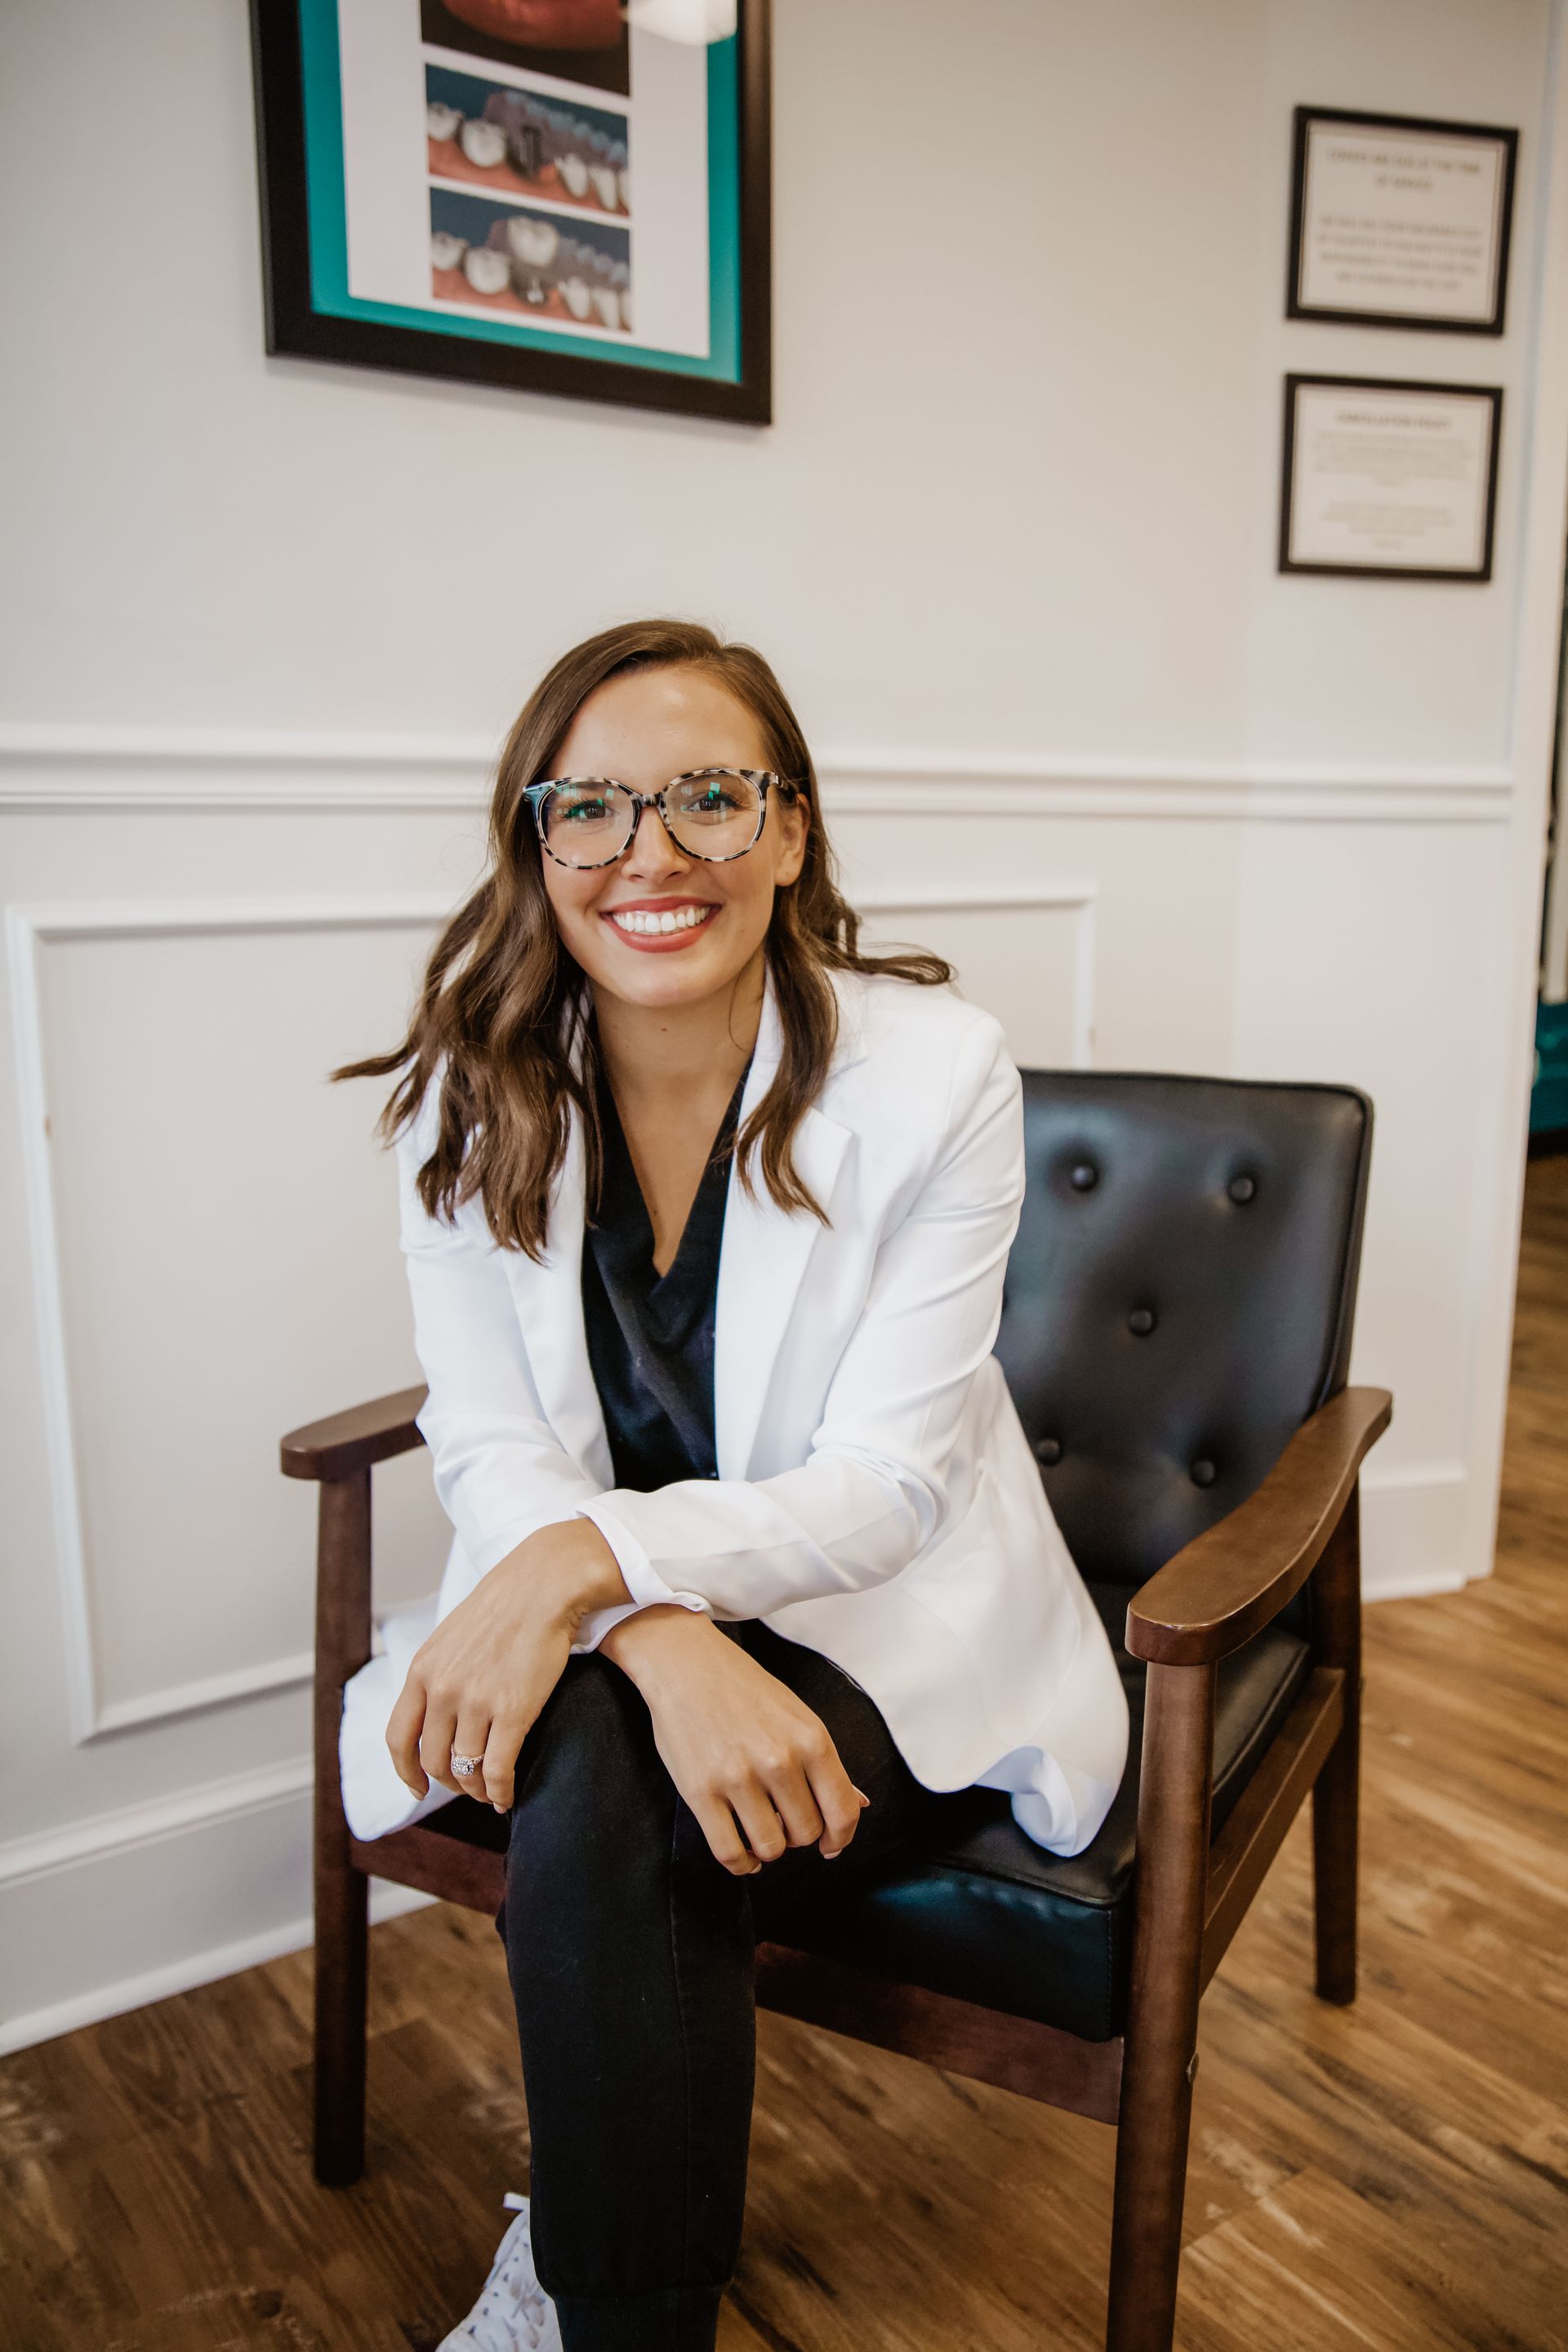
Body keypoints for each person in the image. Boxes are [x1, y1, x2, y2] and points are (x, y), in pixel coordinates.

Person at [332, 619, 1129, 2352]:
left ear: (788, 828)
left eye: (707, 798)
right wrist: (650, 1633)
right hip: (631, 1643)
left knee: (593, 1773)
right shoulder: (455, 1101)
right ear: (534, 842)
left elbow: (890, 1488)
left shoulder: (937, 1073)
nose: (652, 857)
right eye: (592, 810)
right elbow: (490, 1452)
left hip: (883, 1618)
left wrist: (566, 1584)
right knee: (613, 1750)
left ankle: (593, 2282)